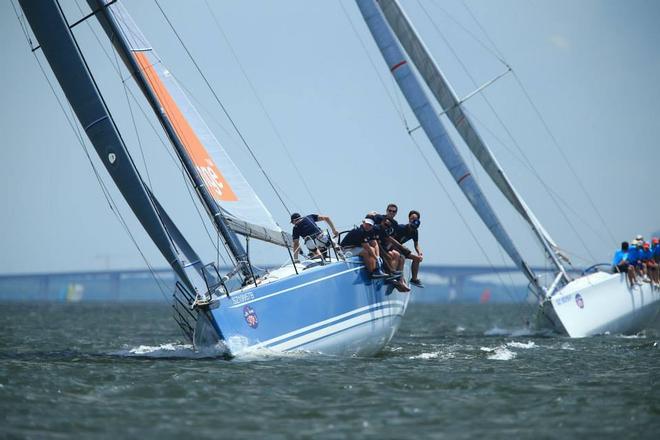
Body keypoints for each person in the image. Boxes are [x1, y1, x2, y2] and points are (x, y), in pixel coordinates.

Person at [394, 210, 424, 287]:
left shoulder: (415, 231)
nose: (412, 220)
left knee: (418, 258)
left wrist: (420, 253)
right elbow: (390, 239)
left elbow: (416, 244)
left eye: (415, 219)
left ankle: (414, 279)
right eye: (411, 218)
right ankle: (399, 278)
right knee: (403, 256)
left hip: (401, 249)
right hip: (393, 247)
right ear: (409, 219)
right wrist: (401, 247)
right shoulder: (401, 228)